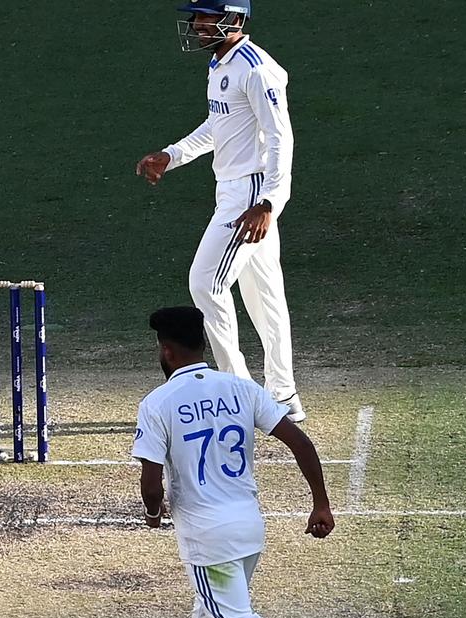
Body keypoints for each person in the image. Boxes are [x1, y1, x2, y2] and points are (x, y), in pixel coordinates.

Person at [131, 306, 344, 618]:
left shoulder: (157, 403)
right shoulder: (239, 389)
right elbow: (300, 442)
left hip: (210, 543)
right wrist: (321, 502)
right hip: (248, 530)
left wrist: (153, 515)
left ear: (167, 351)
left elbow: (151, 483)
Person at [136, 0, 304, 422]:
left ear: (232, 18)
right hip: (234, 190)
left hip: (249, 195)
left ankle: (238, 392)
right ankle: (283, 396)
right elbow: (218, 126)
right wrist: (171, 156)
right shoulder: (220, 66)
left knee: (205, 283)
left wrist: (268, 203)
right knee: (265, 298)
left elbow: (281, 139)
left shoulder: (256, 68)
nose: (195, 24)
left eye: (203, 16)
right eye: (194, 16)